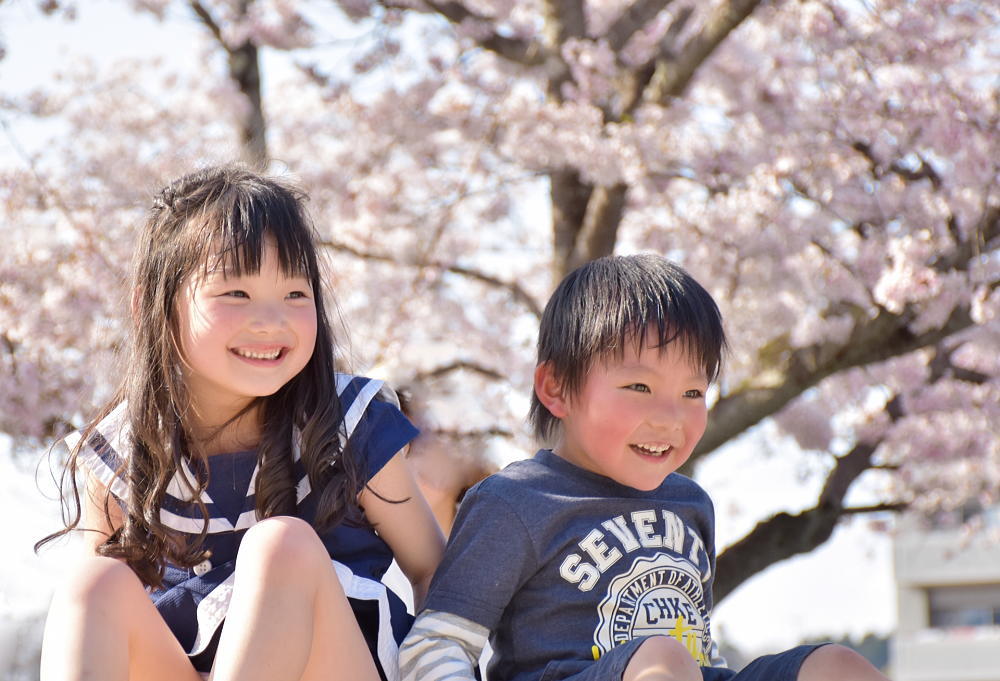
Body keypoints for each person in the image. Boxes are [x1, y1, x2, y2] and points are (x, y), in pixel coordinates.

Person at [36, 165, 445, 681]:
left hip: (335, 663)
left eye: (296, 295)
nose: (271, 321)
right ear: (153, 307)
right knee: (91, 582)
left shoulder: (345, 421)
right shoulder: (122, 456)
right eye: (236, 294)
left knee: (283, 547)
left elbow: (433, 570)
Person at [398, 255, 890, 681]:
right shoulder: (515, 502)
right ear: (555, 389)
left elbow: (694, 643)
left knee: (835, 666)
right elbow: (437, 645)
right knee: (661, 659)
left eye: (693, 393)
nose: (670, 419)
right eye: (639, 388)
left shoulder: (690, 503)